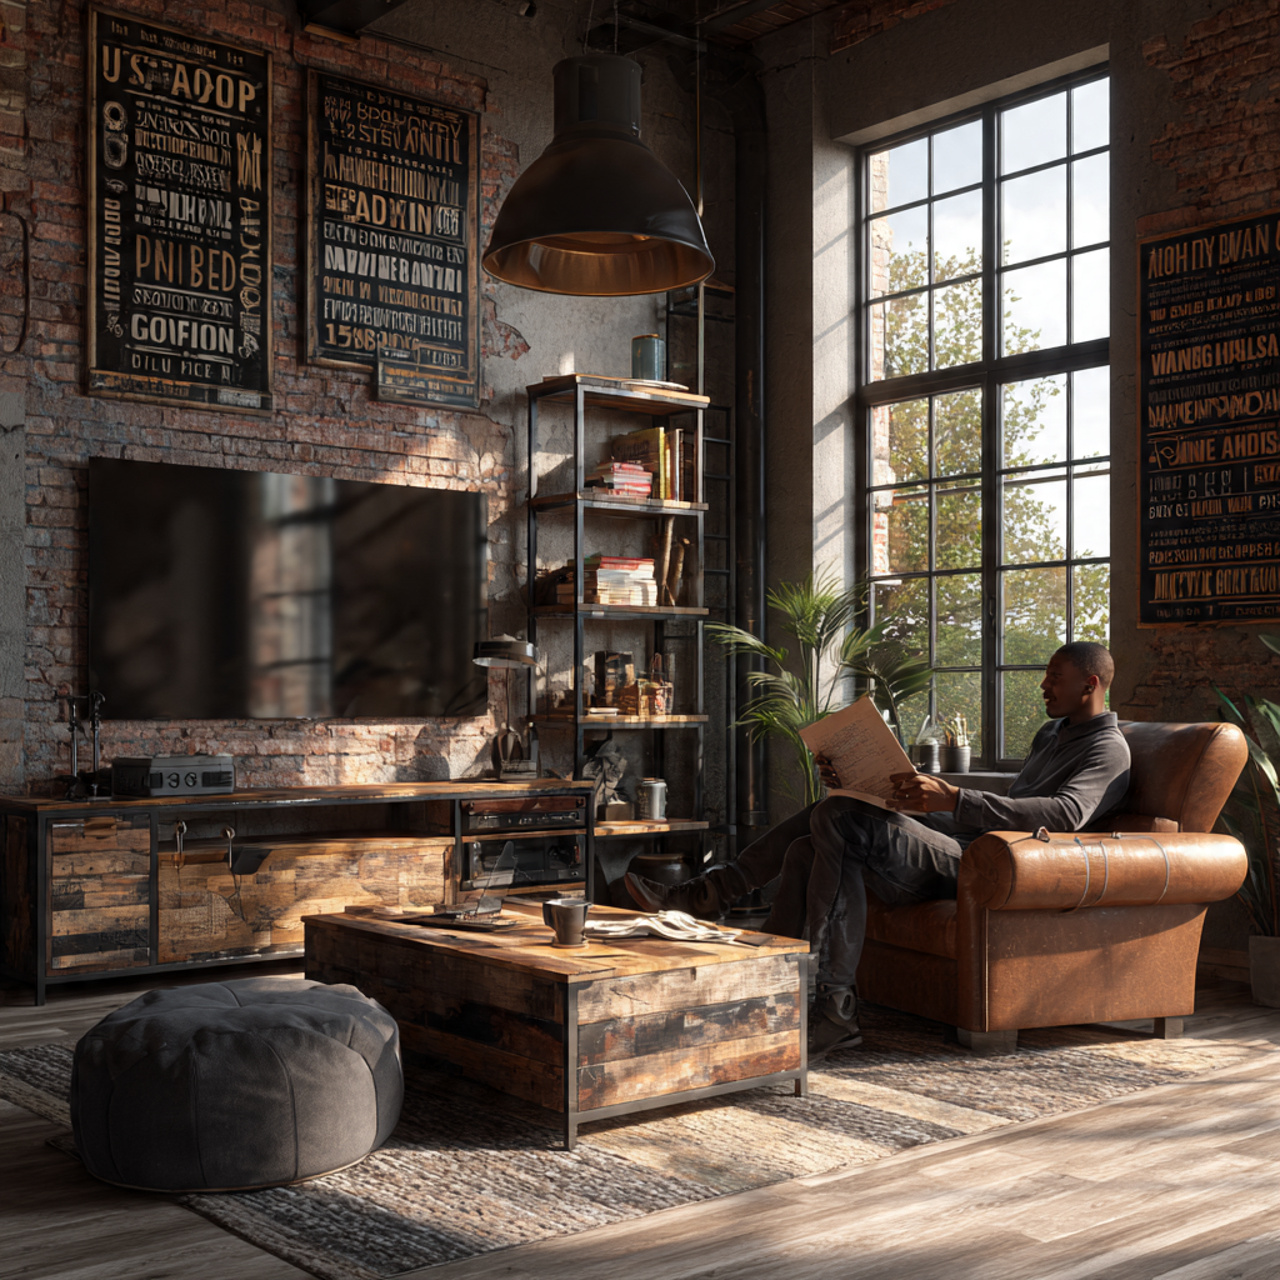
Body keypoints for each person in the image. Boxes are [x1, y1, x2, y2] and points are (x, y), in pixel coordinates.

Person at [625, 642, 1131, 1058]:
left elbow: (1064, 815)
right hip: (960, 846)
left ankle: (821, 997)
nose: (1044, 684)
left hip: (990, 868)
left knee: (839, 816)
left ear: (1090, 684)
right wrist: (897, 788)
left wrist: (953, 798)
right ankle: (772, 987)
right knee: (818, 834)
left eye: (1055, 676)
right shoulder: (1054, 734)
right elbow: (1016, 796)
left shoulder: (1108, 750)